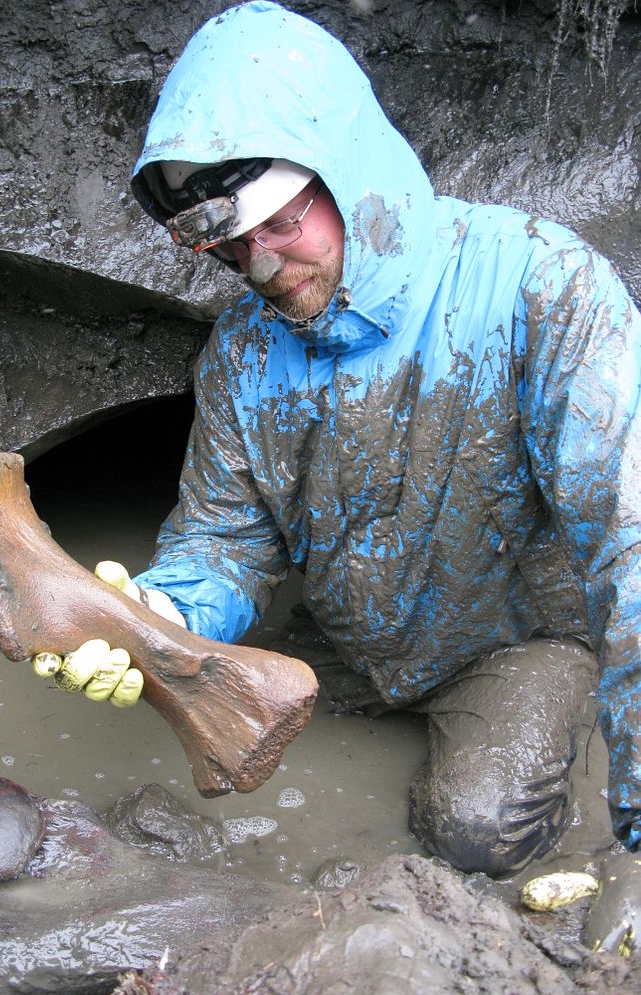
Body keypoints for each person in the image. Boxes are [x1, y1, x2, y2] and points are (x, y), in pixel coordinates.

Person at [33, 1, 641, 877]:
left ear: (352, 172)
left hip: (518, 643)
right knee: (225, 757)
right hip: (348, 640)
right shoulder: (243, 350)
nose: (266, 267)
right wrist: (156, 617)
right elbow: (223, 543)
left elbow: (628, 540)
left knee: (474, 834)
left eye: (282, 225)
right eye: (235, 248)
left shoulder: (545, 288)